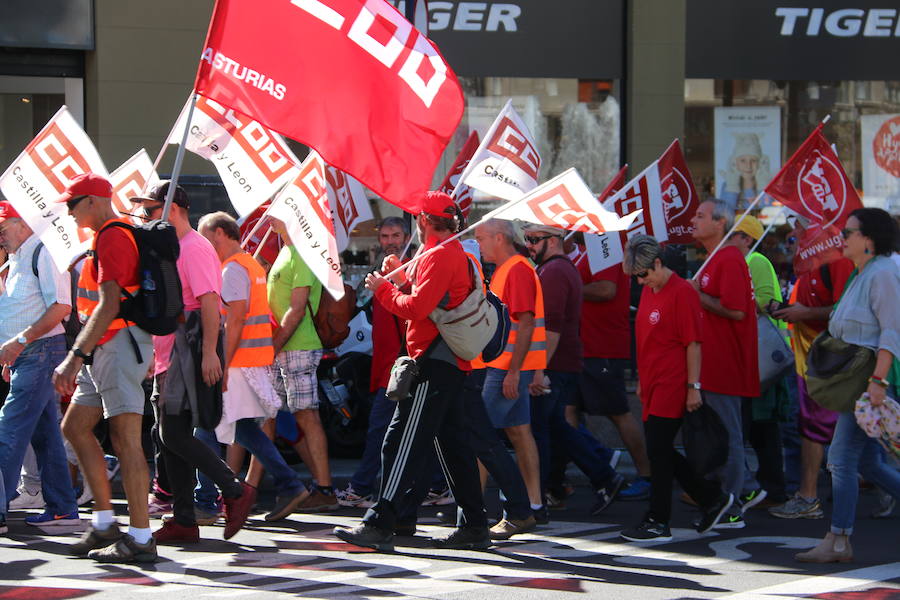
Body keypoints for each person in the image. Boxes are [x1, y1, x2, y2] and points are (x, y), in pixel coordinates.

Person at [333, 191, 489, 552]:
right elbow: (426, 299)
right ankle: (474, 526)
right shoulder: (442, 250)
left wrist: (384, 289)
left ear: (422, 221)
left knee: (400, 440)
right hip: (443, 360)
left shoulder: (439, 253)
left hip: (434, 362)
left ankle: (381, 521)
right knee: (452, 447)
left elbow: (417, 308)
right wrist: (397, 281)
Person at [130, 182, 255, 544]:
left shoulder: (195, 247)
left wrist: (210, 353)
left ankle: (233, 490)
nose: (144, 217)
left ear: (172, 209)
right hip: (171, 352)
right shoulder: (170, 247)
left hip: (187, 351)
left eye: (150, 210)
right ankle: (184, 518)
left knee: (172, 433)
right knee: (167, 437)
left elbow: (209, 302)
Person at [53, 173, 156, 562]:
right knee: (75, 427)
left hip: (118, 345)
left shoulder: (113, 234)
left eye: (72, 203)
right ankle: (103, 525)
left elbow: (109, 303)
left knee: (126, 439)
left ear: (94, 200)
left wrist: (75, 355)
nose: (69, 211)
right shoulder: (107, 235)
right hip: (107, 346)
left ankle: (142, 537)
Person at [796, 208, 900, 563]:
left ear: (868, 238)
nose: (842, 237)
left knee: (840, 459)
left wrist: (879, 381)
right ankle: (838, 539)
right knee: (868, 463)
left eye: (848, 232)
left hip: (867, 381)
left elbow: (891, 331)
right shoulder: (867, 271)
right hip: (857, 380)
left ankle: (839, 540)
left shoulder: (884, 272)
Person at [619, 235, 734, 541]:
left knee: (658, 450)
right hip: (654, 381)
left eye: (643, 274)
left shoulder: (681, 292)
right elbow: (645, 340)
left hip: (674, 382)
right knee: (660, 451)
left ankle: (659, 518)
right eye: (635, 277)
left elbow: (693, 343)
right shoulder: (651, 290)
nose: (640, 282)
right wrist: (643, 381)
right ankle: (711, 498)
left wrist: (693, 386)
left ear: (658, 263)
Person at [197, 212, 310, 521]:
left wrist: (223, 362)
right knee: (234, 430)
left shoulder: (232, 269)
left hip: (239, 363)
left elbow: (235, 319)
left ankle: (208, 501)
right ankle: (284, 486)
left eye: (206, 237)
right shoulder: (248, 265)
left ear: (220, 234)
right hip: (252, 361)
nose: (205, 246)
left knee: (210, 429)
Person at [523, 224, 624, 518]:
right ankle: (600, 475)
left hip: (555, 363)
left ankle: (538, 499)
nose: (529, 244)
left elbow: (551, 327)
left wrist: (539, 370)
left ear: (553, 241)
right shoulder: (556, 268)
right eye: (526, 238)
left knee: (540, 430)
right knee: (555, 425)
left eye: (533, 239)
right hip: (560, 361)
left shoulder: (554, 272)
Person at [0, 201, 78, 533]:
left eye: (3, 228)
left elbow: (62, 305)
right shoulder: (19, 257)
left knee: (8, 431)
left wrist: (19, 342)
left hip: (40, 352)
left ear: (22, 223)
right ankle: (62, 508)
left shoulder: (43, 252)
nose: (0, 235)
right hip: (30, 356)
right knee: (45, 435)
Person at [769, 218, 855, 520]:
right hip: (810, 357)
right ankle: (812, 496)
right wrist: (786, 309)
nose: (792, 232)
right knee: (814, 428)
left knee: (819, 429)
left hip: (833, 358)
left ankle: (810, 497)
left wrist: (805, 312)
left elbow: (848, 310)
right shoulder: (807, 261)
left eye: (800, 225)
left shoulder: (836, 260)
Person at [689, 199, 761, 529]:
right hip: (710, 361)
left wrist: (695, 295)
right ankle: (745, 489)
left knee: (727, 434)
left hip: (724, 362)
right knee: (718, 433)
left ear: (720, 223)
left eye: (701, 216)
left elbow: (737, 311)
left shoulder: (729, 258)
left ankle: (731, 505)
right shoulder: (715, 258)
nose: (693, 220)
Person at [473, 219, 546, 522]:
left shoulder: (515, 269)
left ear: (499, 238)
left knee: (479, 435)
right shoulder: (511, 268)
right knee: (518, 432)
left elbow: (526, 322)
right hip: (510, 366)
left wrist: (514, 371)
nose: (478, 245)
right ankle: (534, 504)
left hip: (505, 367)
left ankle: (472, 510)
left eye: (481, 239)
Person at [337, 217, 412, 508]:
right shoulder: (382, 271)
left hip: (399, 369)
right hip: (387, 365)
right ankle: (433, 486)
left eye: (395, 235)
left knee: (380, 429)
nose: (390, 241)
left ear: (407, 238)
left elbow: (411, 313)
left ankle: (362, 487)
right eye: (384, 236)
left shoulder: (407, 272)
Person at [267, 217, 336, 511]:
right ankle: (310, 486)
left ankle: (324, 489)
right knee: (280, 418)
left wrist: (272, 347)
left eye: (277, 209)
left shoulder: (303, 252)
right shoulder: (286, 250)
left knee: (306, 415)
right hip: (285, 347)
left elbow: (296, 310)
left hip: (297, 346)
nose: (269, 214)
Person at [573, 246, 651, 501]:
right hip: (584, 346)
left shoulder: (605, 248)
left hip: (603, 346)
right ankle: (598, 458)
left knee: (618, 412)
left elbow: (607, 289)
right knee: (566, 413)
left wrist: (568, 286)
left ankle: (646, 473)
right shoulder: (589, 250)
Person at [728, 215, 789, 507]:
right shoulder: (738, 262)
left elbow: (764, 301)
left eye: (733, 233)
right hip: (746, 354)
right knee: (752, 424)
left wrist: (729, 295)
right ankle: (762, 486)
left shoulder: (757, 262)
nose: (727, 238)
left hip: (761, 355)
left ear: (747, 239)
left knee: (760, 424)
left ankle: (768, 487)